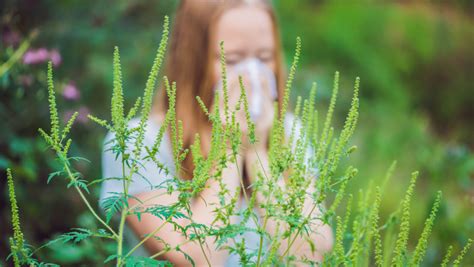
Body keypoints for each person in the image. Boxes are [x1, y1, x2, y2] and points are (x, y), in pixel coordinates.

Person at [100, 0, 333, 265]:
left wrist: (257, 150)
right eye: (232, 60)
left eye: (264, 57)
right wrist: (232, 147)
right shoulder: (138, 142)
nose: (252, 75)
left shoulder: (291, 133)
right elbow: (197, 258)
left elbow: (309, 254)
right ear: (193, 62)